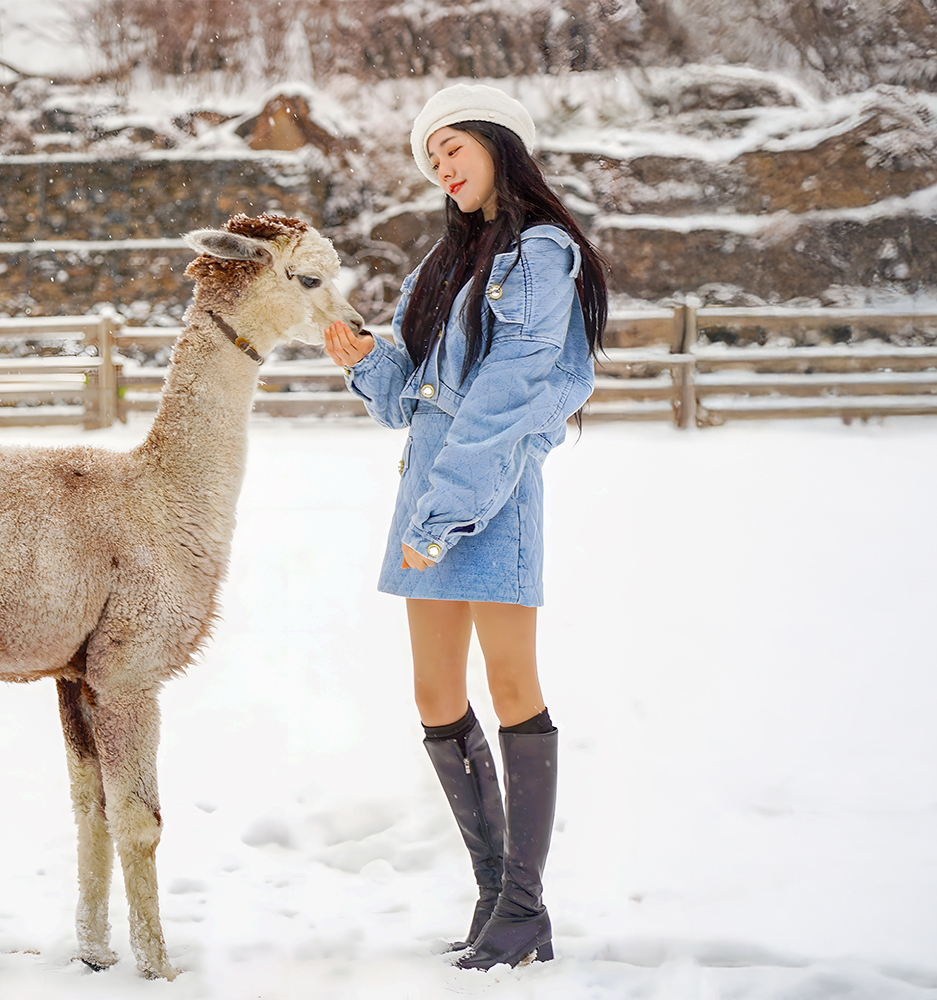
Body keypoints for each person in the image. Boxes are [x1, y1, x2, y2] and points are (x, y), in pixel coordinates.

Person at [322, 83, 609, 971]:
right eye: (431, 157)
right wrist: (370, 359)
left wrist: (447, 516)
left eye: (453, 147)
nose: (442, 167)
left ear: (499, 143)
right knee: (434, 696)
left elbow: (510, 394)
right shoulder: (442, 264)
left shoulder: (540, 254)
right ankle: (493, 892)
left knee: (513, 681)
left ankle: (525, 907)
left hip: (489, 494)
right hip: (431, 495)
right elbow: (414, 396)